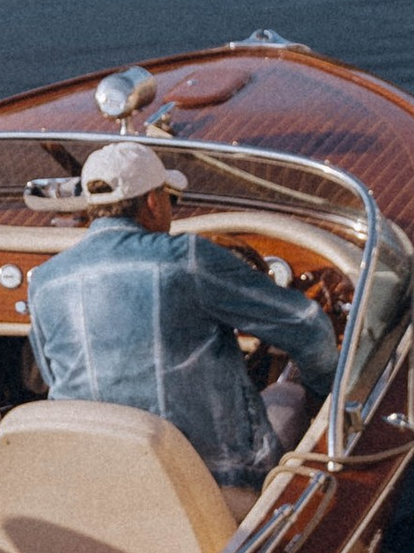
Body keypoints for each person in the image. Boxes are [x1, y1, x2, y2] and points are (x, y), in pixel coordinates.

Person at [22, 140, 341, 497]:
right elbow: (309, 327)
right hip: (212, 483)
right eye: (171, 198)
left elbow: (52, 377)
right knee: (290, 393)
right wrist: (325, 390)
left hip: (100, 483)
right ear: (153, 202)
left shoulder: (45, 281)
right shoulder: (187, 259)